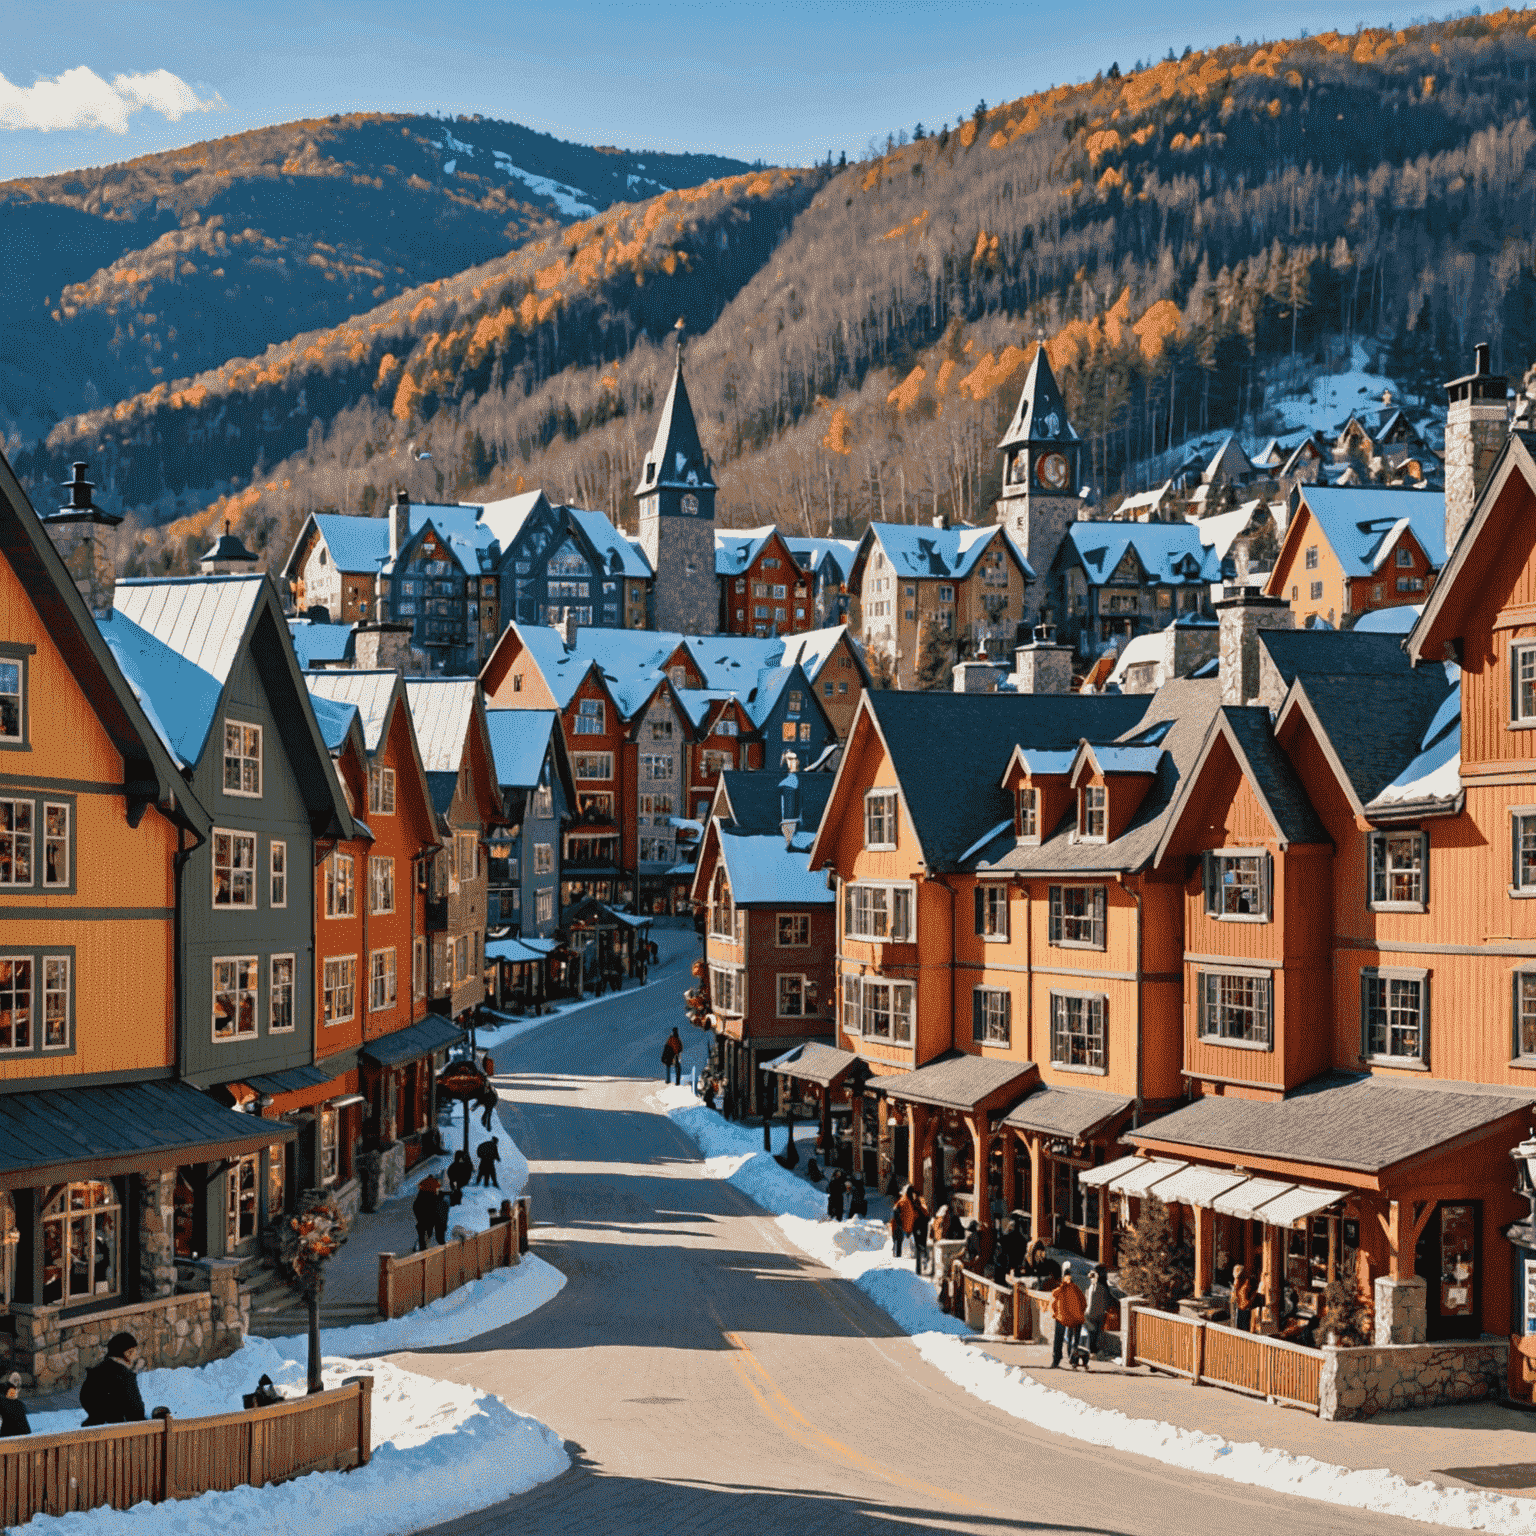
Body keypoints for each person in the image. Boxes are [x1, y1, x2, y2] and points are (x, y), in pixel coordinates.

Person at [79, 1333, 145, 1425]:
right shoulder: (125, 1376)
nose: (136, 1354)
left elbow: (86, 1399)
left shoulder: (95, 1373)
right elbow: (136, 1412)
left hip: (94, 1428)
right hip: (120, 1432)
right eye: (134, 1351)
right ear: (127, 1353)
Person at [1049, 1265, 1087, 1370]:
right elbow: (1083, 1303)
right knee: (1074, 1340)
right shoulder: (1076, 1289)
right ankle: (1072, 1359)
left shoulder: (1062, 1289)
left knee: (1059, 1339)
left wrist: (1056, 1313)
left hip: (1064, 1318)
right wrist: (1080, 1313)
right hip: (1073, 1318)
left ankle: (1056, 1360)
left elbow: (1053, 1298)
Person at [1075, 1263, 1110, 1369]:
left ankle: (1093, 1353)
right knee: (1090, 1335)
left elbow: (1105, 1302)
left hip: (1097, 1316)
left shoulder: (1102, 1287)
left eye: (1096, 1272)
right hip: (1090, 1315)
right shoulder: (1092, 1285)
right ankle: (1090, 1353)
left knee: (1094, 1335)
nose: (1093, 1274)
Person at [412, 1177, 439, 1251]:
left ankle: (421, 1245)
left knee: (423, 1228)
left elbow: (416, 1206)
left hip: (420, 1208)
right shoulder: (433, 1193)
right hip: (424, 1209)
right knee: (426, 1228)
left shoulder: (423, 1186)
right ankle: (422, 1245)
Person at [892, 1185, 917, 1259]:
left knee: (899, 1240)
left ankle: (898, 1254)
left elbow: (896, 1210)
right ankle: (897, 1255)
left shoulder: (906, 1200)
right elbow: (896, 1211)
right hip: (901, 1224)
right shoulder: (905, 1200)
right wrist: (899, 1222)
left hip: (903, 1224)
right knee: (899, 1240)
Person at [1231, 1264, 1258, 1332]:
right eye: (1235, 1271)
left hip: (1245, 1310)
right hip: (1239, 1309)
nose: (1235, 1273)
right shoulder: (1237, 1282)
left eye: (1237, 1271)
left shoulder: (1246, 1283)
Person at [910, 1190, 931, 1274]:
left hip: (919, 1226)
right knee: (921, 1246)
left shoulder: (918, 1204)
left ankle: (920, 1268)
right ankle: (922, 1265)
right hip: (921, 1226)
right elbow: (926, 1215)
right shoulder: (921, 1203)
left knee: (919, 1247)